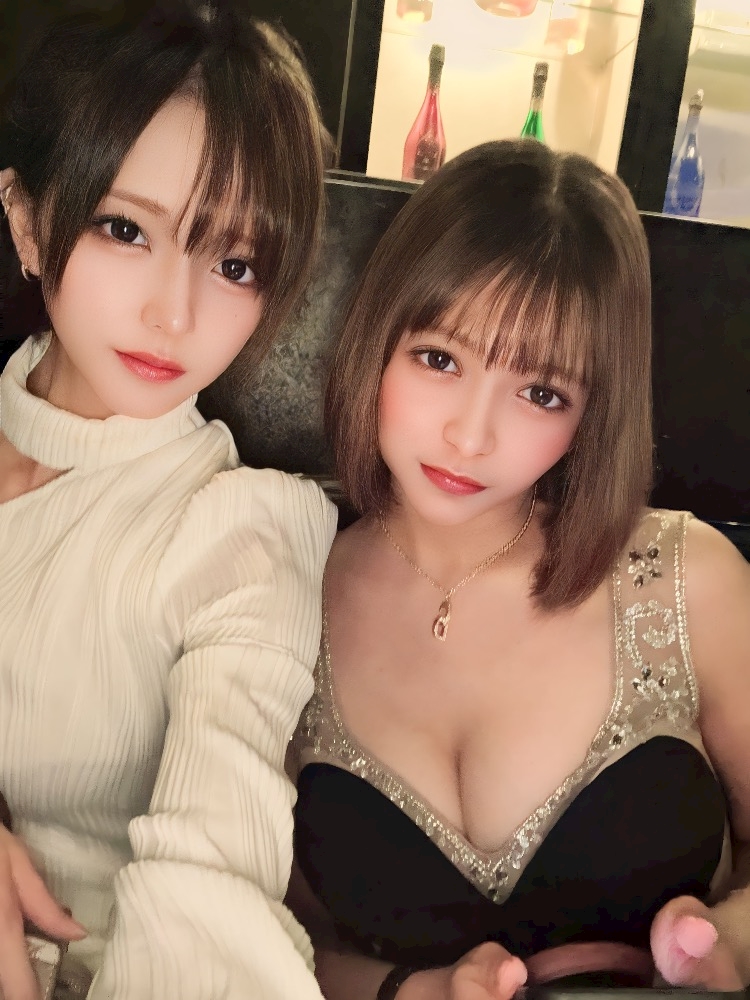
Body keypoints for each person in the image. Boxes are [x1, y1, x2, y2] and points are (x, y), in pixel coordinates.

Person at [287, 139, 750, 1000]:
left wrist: (731, 943)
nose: (470, 436)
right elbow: (276, 928)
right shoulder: (280, 582)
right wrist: (413, 991)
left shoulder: (687, 582)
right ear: (377, 338)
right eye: (439, 358)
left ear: (592, 412)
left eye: (541, 394)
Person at [0, 3, 337, 998]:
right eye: (125, 229)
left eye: (234, 264)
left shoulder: (240, 537)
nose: (174, 312)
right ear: (27, 221)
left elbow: (211, 890)